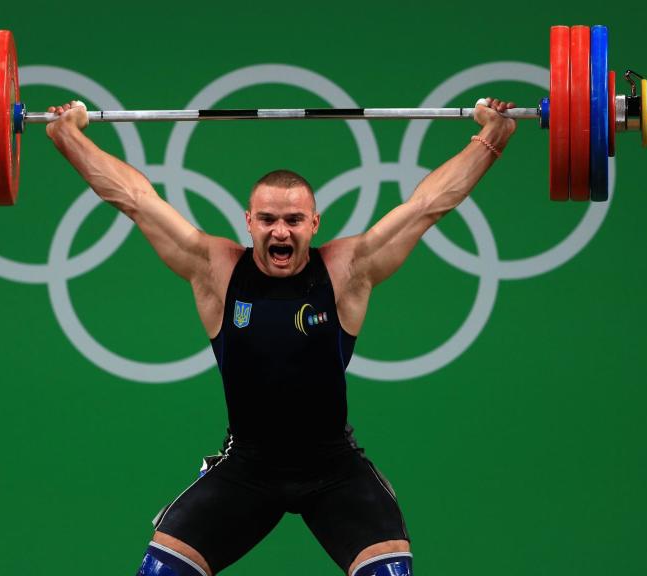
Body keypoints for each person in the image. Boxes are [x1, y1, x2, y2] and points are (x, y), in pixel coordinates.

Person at [45, 96, 517, 576]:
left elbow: (427, 206)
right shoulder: (217, 270)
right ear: (249, 223)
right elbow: (136, 201)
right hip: (247, 469)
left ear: (314, 223)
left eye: (293, 220)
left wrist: (491, 139)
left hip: (333, 470)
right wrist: (69, 136)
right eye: (268, 220)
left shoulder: (346, 270)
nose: (281, 233)